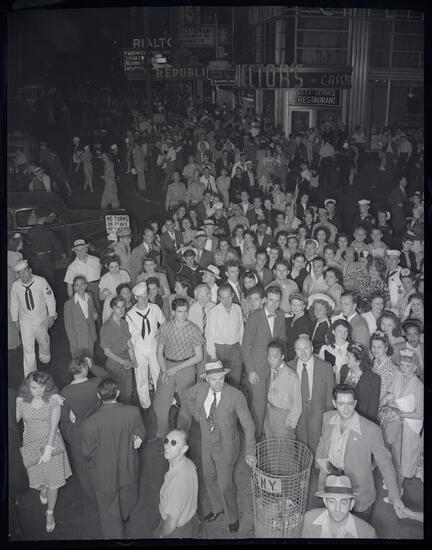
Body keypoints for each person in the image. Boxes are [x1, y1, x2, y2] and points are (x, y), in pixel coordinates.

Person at [177, 361, 256, 534]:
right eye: (213, 380)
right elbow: (187, 396)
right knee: (209, 477)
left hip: (226, 446)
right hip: (207, 443)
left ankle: (232, 517)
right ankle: (217, 507)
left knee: (225, 485)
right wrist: (197, 415)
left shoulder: (235, 396)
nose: (218, 383)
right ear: (207, 379)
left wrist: (250, 451)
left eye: (221, 378)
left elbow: (248, 425)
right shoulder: (200, 389)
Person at [315, 384, 404, 521]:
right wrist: (320, 460)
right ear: (334, 403)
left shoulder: (371, 430)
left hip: (357, 491)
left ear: (355, 403)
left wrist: (395, 497)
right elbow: (322, 441)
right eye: (341, 404)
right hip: (331, 487)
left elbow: (385, 463)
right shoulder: (328, 418)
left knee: (359, 527)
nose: (346, 408)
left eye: (350, 403)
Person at [81, 378, 146, 539]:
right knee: (128, 495)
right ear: (117, 393)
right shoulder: (132, 412)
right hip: (128, 465)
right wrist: (137, 439)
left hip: (104, 473)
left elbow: (87, 452)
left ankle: (116, 535)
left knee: (108, 508)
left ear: (99, 396)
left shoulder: (90, 422)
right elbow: (141, 432)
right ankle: (125, 514)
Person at [16, 371, 72, 533]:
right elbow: (13, 420)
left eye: (41, 386)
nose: (38, 391)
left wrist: (48, 449)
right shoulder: (21, 400)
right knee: (38, 481)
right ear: (27, 387)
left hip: (51, 444)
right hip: (31, 444)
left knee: (53, 483)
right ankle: (43, 489)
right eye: (34, 387)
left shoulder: (53, 400)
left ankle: (50, 512)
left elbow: (54, 428)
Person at [153, 298, 203, 439]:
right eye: (180, 311)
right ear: (173, 312)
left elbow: (199, 356)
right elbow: (159, 352)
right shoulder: (165, 327)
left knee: (187, 402)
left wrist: (177, 368)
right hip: (168, 365)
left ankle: (181, 433)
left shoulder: (193, 329)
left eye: (186, 311)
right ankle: (162, 433)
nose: (184, 314)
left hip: (186, 367)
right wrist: (164, 370)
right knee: (160, 402)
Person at [60, 356, 108, 501]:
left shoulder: (65, 392)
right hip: (99, 428)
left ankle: (93, 495)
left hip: (78, 434)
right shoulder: (96, 383)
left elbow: (64, 419)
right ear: (85, 369)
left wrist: (69, 435)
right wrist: (93, 365)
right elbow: (108, 377)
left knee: (83, 467)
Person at [243, 286, 286, 439]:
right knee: (258, 405)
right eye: (271, 300)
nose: (273, 304)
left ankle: (267, 434)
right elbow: (246, 346)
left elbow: (282, 341)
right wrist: (251, 370)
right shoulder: (254, 317)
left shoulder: (280, 316)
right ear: (265, 300)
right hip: (258, 368)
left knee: (272, 403)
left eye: (277, 301)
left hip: (275, 368)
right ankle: (254, 439)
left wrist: (281, 366)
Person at [380, 350, 423, 495]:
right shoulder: (398, 376)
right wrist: (387, 399)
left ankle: (398, 489)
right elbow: (391, 394)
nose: (403, 368)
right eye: (402, 365)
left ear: (415, 368)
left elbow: (420, 414)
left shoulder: (419, 386)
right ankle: (392, 482)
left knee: (404, 459)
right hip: (394, 425)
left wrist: (400, 414)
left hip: (408, 428)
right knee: (392, 455)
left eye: (407, 366)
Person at [287, 336, 334, 454]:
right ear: (295, 351)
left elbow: (330, 394)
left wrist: (329, 416)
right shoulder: (289, 367)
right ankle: (303, 464)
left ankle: (316, 464)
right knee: (300, 444)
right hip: (297, 412)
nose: (303, 352)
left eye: (306, 348)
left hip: (318, 411)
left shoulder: (325, 367)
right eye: (299, 349)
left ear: (312, 348)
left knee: (317, 444)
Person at [10, 260, 56, 376]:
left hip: (41, 319)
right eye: (20, 273)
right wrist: (15, 320)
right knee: (28, 349)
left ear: (30, 271)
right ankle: (30, 374)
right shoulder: (15, 286)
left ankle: (45, 358)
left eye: (25, 271)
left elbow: (50, 298)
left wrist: (51, 315)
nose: (23, 275)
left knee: (44, 341)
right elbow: (14, 303)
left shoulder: (41, 281)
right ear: (17, 275)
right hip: (25, 321)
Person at [126, 282, 166, 411]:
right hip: (139, 349)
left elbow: (164, 323)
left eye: (145, 296)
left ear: (148, 295)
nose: (143, 300)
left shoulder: (154, 308)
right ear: (135, 298)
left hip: (154, 347)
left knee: (157, 374)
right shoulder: (130, 314)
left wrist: (160, 334)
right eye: (140, 297)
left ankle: (161, 401)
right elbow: (130, 337)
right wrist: (132, 356)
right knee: (141, 378)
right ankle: (145, 404)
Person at [153, 429, 199, 538]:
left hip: (178, 531)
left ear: (184, 449)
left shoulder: (176, 483)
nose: (167, 446)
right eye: (166, 441)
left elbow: (171, 524)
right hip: (190, 519)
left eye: (173, 443)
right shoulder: (189, 464)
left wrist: (162, 535)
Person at [302, 474, 376, 538]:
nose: (337, 509)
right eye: (332, 501)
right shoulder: (309, 519)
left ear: (351, 504)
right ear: (325, 502)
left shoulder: (367, 534)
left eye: (343, 502)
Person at [205, 284, 244, 388]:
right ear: (219, 298)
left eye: (228, 297)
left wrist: (241, 347)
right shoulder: (214, 312)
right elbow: (209, 334)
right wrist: (213, 355)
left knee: (236, 381)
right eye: (223, 298)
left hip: (235, 349)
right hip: (220, 350)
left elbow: (241, 329)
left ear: (233, 295)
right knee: (221, 383)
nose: (226, 301)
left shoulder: (237, 308)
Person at [100, 296, 137, 404]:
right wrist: (122, 361)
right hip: (115, 364)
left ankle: (126, 409)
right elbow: (106, 351)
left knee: (128, 390)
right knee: (117, 393)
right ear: (112, 309)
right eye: (118, 307)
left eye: (123, 306)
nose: (121, 310)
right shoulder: (106, 327)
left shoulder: (124, 323)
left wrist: (133, 359)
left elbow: (128, 343)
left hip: (126, 362)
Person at [264, 341, 302, 439]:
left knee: (283, 447)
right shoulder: (272, 370)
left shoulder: (291, 376)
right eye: (269, 356)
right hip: (270, 413)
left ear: (282, 357)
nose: (271, 360)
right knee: (270, 444)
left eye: (275, 357)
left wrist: (290, 422)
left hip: (283, 417)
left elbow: (297, 405)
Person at [339, 342, 380, 423]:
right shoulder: (344, 369)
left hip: (361, 419)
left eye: (349, 357)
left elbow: (373, 408)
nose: (346, 359)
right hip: (343, 417)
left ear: (358, 361)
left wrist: (369, 426)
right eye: (346, 355)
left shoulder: (373, 379)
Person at [24, 207, 65, 288]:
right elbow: (56, 244)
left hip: (35, 260)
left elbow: (27, 247)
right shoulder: (48, 231)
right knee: (49, 282)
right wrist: (62, 253)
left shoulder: (30, 232)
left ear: (36, 217)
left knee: (35, 281)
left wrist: (30, 257)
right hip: (47, 260)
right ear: (44, 218)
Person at [63, 276, 98, 359]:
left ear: (86, 285)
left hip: (90, 334)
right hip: (78, 337)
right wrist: (73, 342)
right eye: (77, 285)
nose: (80, 287)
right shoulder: (69, 304)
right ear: (74, 288)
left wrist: (95, 314)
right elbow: (68, 326)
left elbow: (93, 309)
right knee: (80, 360)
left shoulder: (89, 296)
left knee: (90, 358)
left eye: (82, 284)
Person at [64, 239, 102, 311]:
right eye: (77, 250)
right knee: (87, 311)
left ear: (86, 249)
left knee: (100, 309)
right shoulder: (72, 266)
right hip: (82, 290)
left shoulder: (96, 260)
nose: (80, 252)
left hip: (98, 288)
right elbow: (69, 284)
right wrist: (71, 299)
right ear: (75, 252)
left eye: (82, 249)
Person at [319, 319, 351, 384]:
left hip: (347, 384)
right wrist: (329, 371)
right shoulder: (325, 349)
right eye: (339, 331)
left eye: (346, 332)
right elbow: (320, 371)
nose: (343, 334)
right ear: (333, 332)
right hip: (330, 383)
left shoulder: (352, 348)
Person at [160, 218, 184, 289]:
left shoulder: (179, 233)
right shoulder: (163, 237)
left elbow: (182, 246)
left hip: (180, 258)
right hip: (169, 260)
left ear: (174, 224)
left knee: (182, 277)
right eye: (166, 225)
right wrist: (174, 255)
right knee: (172, 279)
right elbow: (164, 252)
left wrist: (180, 255)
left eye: (170, 224)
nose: (168, 227)